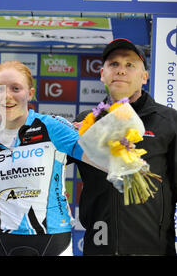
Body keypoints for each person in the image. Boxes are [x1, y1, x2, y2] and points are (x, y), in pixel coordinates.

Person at [0, 60, 106, 256]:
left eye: (16, 88)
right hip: (3, 242)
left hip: (51, 241)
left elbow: (101, 159)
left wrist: (121, 150)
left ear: (30, 93)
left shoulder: (51, 126)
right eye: (0, 89)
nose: (7, 96)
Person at [70, 38, 177, 256]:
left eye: (130, 65)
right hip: (99, 245)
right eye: (114, 64)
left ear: (144, 77)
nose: (121, 71)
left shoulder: (169, 120)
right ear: (102, 74)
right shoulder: (86, 122)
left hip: (153, 248)